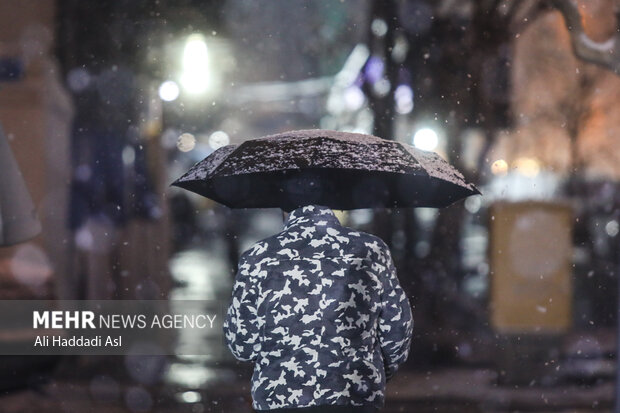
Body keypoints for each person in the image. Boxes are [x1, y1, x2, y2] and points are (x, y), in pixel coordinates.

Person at [223, 205, 413, 412]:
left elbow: (241, 345)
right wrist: (373, 374)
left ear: (284, 208)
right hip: (354, 398)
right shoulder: (372, 250)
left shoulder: (257, 256)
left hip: (279, 398)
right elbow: (397, 330)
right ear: (334, 204)